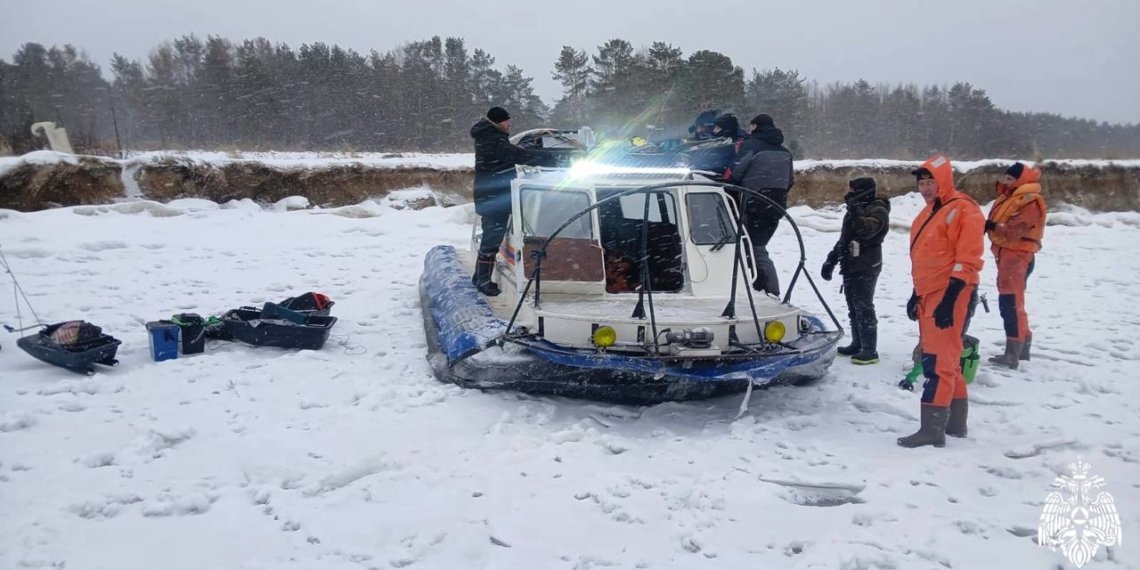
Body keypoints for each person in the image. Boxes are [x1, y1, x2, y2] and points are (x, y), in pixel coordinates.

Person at [898, 153, 985, 448]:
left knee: (937, 362)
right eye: (921, 184)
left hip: (950, 294)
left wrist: (950, 299)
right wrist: (916, 293)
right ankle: (955, 424)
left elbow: (968, 259)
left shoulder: (963, 209)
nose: (924, 189)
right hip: (929, 293)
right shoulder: (928, 213)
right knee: (948, 361)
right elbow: (926, 258)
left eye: (930, 183)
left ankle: (932, 429)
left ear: (943, 181)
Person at [469, 106, 564, 296]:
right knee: (491, 239)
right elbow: (517, 155)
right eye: (506, 121)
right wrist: (551, 158)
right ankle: (483, 281)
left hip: (489, 196)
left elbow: (512, 152)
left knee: (490, 237)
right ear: (498, 122)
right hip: (494, 198)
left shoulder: (488, 137)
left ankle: (479, 276)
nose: (509, 123)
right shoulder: (494, 140)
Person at [821, 177, 891, 365]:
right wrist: (831, 260)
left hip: (866, 265)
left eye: (854, 191)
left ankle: (869, 350)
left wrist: (855, 209)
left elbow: (865, 231)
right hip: (849, 264)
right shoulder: (856, 209)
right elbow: (845, 238)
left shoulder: (878, 210)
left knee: (864, 306)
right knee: (853, 306)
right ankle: (857, 343)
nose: (850, 194)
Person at [985, 162, 1046, 369]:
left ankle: (1013, 352)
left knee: (1010, 303)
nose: (1005, 181)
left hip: (1017, 257)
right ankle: (1022, 348)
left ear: (1020, 180)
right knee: (1014, 303)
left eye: (1010, 179)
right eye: (1005, 177)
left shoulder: (1029, 201)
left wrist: (992, 226)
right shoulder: (1010, 197)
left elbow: (1015, 231)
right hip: (1008, 256)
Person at [729, 114, 794, 296]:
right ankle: (759, 286)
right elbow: (790, 180)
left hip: (753, 203)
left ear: (755, 126)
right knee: (757, 247)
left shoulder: (751, 146)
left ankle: (770, 291)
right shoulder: (785, 151)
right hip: (776, 205)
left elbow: (736, 171)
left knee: (755, 249)